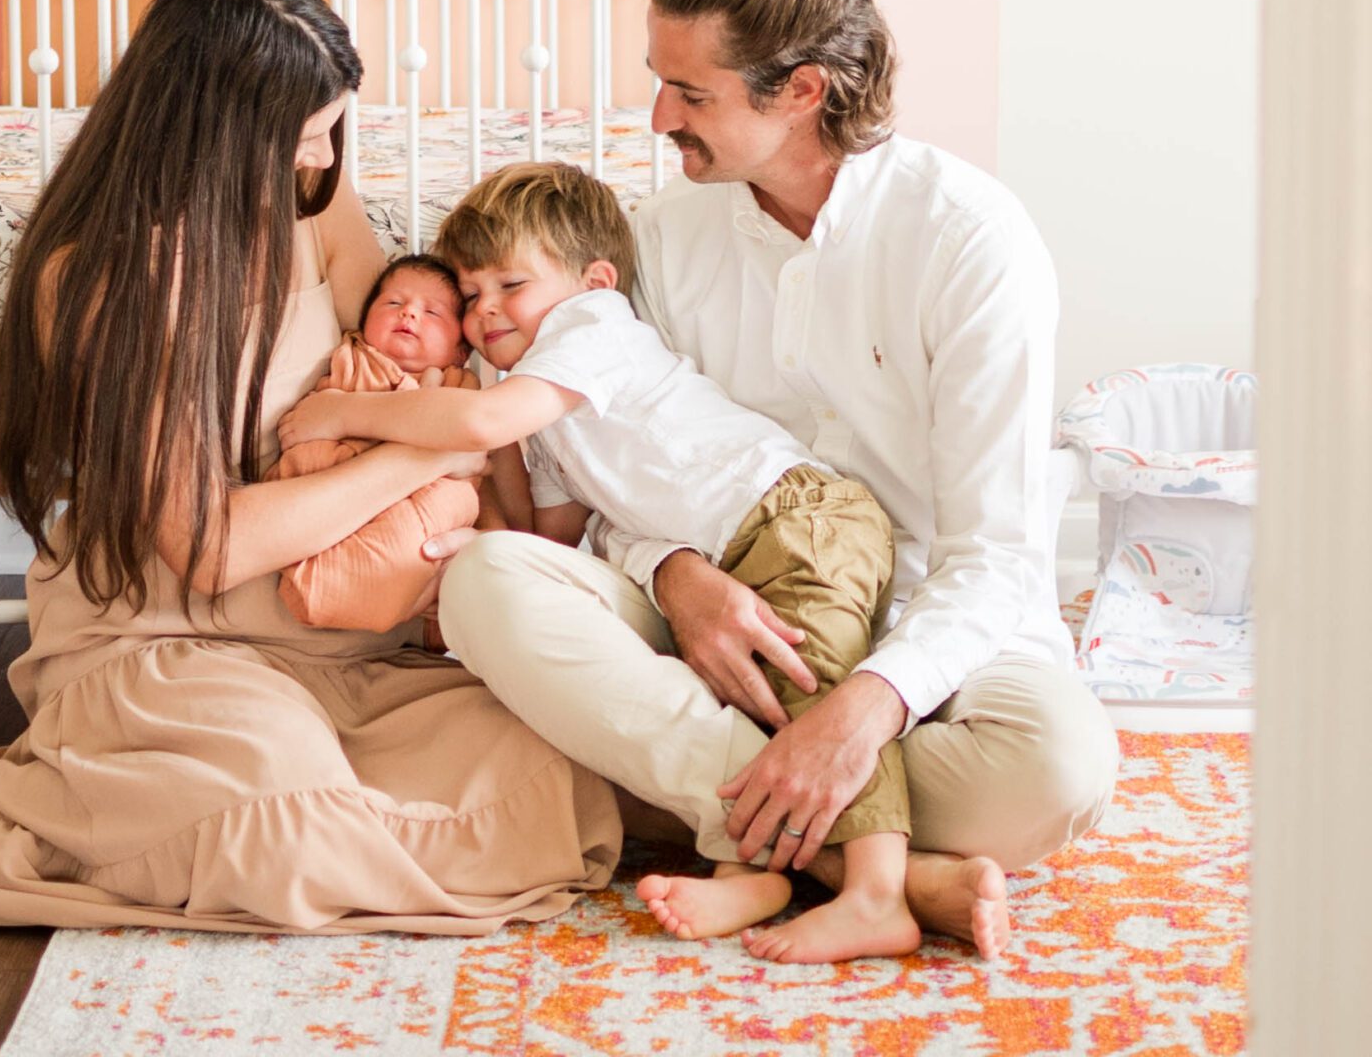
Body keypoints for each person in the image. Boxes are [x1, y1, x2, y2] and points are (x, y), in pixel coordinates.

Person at [430, 0, 1120, 961]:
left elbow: (993, 555)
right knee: (482, 583)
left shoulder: (969, 240)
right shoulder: (656, 241)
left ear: (800, 89)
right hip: (717, 625)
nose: (657, 119)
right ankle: (867, 866)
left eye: (688, 94)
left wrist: (868, 709)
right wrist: (675, 577)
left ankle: (738, 808)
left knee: (1059, 771)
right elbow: (611, 471)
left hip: (924, 634)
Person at [0, 0, 618, 935]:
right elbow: (211, 547)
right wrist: (430, 454)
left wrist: (461, 431)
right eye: (305, 137)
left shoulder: (316, 208)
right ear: (227, 131)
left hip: (347, 632)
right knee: (282, 831)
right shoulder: (99, 277)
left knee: (547, 764)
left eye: (332, 133)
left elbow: (423, 368)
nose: (322, 160)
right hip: (170, 637)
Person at [281, 161, 921, 964]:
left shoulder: (591, 329)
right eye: (471, 298)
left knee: (815, 697)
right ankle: (749, 869)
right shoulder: (541, 407)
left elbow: (484, 418)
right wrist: (478, 489)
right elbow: (545, 533)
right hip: (725, 553)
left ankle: (878, 896)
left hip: (796, 517)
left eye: (509, 285)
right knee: (758, 704)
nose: (486, 313)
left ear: (594, 279)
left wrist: (350, 409)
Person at [270, 252, 526, 631]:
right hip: (344, 500)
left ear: (460, 351)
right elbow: (309, 447)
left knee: (458, 507)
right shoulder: (354, 363)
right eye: (393, 303)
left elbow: (480, 481)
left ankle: (414, 599)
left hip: (424, 528)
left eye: (432, 313)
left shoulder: (466, 390)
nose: (408, 314)